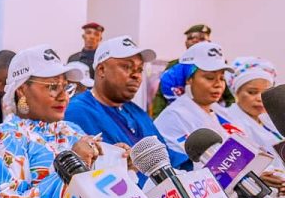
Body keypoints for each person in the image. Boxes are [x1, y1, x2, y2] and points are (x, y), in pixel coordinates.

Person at [0, 45, 104, 198]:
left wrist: (117, 164)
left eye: (66, 87)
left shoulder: (71, 130)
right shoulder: (5, 137)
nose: (63, 96)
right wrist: (68, 171)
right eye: (52, 87)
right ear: (22, 90)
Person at [66, 36, 193, 185]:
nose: (136, 75)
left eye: (139, 69)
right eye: (127, 67)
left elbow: (169, 159)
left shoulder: (137, 112)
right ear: (101, 69)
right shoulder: (78, 111)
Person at [154, 42, 241, 158]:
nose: (218, 84)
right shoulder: (173, 117)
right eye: (210, 78)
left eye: (221, 78)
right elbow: (190, 165)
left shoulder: (220, 113)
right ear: (189, 80)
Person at [217, 57, 285, 195]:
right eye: (252, 92)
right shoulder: (226, 121)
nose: (259, 98)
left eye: (265, 93)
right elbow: (228, 168)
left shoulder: (270, 122)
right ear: (236, 93)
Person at [152, 24, 234, 117]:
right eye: (191, 38)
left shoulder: (218, 67)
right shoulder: (174, 67)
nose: (195, 40)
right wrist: (156, 118)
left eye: (201, 38)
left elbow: (229, 98)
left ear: (209, 42)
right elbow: (160, 97)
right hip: (180, 116)